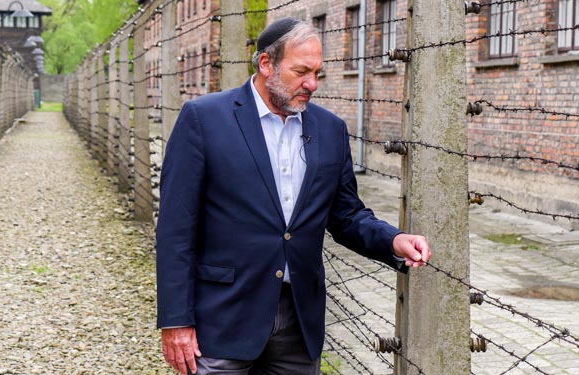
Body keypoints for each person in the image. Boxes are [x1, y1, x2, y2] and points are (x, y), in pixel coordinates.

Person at [156, 17, 431, 375]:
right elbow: (176, 227)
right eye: (301, 71)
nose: (312, 84)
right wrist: (176, 320)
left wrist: (394, 240)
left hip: (299, 321)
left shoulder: (330, 130)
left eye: (317, 72)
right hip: (222, 317)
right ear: (266, 64)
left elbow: (346, 216)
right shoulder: (204, 119)